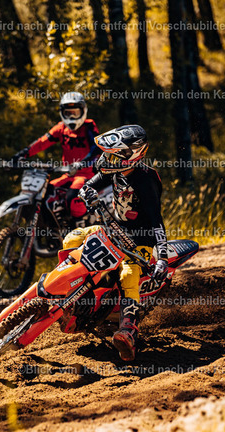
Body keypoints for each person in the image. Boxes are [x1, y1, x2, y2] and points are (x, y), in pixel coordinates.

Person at [66, 124, 169, 362]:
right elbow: (89, 185)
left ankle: (128, 331)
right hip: (112, 230)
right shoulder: (114, 169)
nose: (108, 159)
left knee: (128, 275)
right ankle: (69, 292)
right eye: (109, 154)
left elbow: (157, 220)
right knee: (72, 238)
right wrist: (87, 193)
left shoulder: (146, 179)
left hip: (139, 240)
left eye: (114, 155)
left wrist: (162, 258)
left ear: (132, 154)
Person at [11, 92, 100, 225]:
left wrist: (81, 163)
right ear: (62, 113)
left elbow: (96, 148)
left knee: (73, 198)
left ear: (83, 111)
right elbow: (41, 142)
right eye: (68, 113)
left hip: (86, 176)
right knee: (42, 193)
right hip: (67, 175)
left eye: (75, 113)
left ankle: (79, 228)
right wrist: (20, 155)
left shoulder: (89, 126)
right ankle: (50, 229)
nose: (71, 117)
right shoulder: (61, 128)